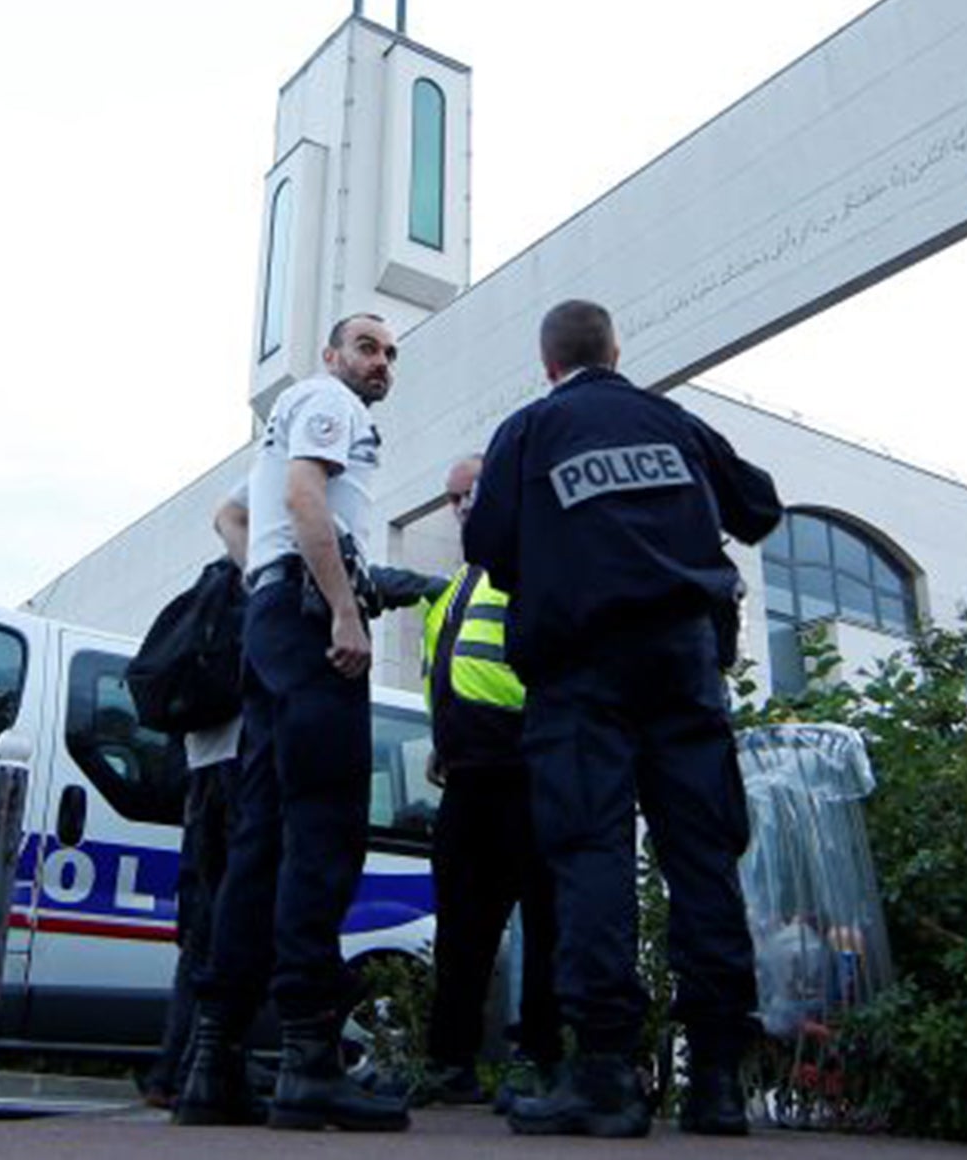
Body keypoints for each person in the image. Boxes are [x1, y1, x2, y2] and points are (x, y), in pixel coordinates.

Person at [462, 299, 782, 1139]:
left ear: (549, 364)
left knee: (590, 853)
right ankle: (716, 1080)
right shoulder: (672, 420)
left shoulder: (528, 431)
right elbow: (759, 507)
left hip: (579, 668)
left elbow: (487, 544)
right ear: (614, 350)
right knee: (702, 852)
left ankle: (605, 1072)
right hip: (682, 663)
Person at [174, 313, 413, 1132]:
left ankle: (214, 1061)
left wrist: (266, 582)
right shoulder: (327, 401)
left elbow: (230, 517)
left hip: (276, 618)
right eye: (368, 348)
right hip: (309, 622)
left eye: (388, 354)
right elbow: (307, 493)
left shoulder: (285, 421)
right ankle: (311, 1060)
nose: (380, 362)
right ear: (333, 353)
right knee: (325, 830)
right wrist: (342, 610)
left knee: (261, 841)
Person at [416, 456, 561, 1110]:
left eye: (473, 493)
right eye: (453, 498)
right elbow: (450, 674)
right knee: (461, 931)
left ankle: (539, 1058)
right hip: (467, 779)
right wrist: (443, 743)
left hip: (528, 771)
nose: (463, 506)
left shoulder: (536, 564)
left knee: (546, 921)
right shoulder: (454, 588)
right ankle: (450, 1064)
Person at [143, 491, 251, 1109]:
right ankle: (207, 1067)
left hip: (202, 768)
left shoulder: (207, 586)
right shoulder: (250, 580)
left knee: (204, 920)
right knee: (233, 912)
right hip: (240, 763)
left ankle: (172, 1068)